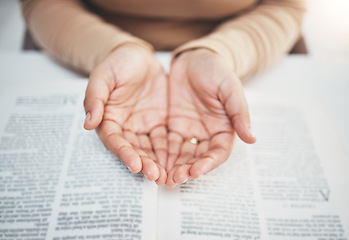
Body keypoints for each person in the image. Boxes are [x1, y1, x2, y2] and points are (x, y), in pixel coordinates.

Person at [21, 0, 306, 187]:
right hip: (86, 37)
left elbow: (284, 5)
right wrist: (112, 49)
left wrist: (219, 52)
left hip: (246, 38)